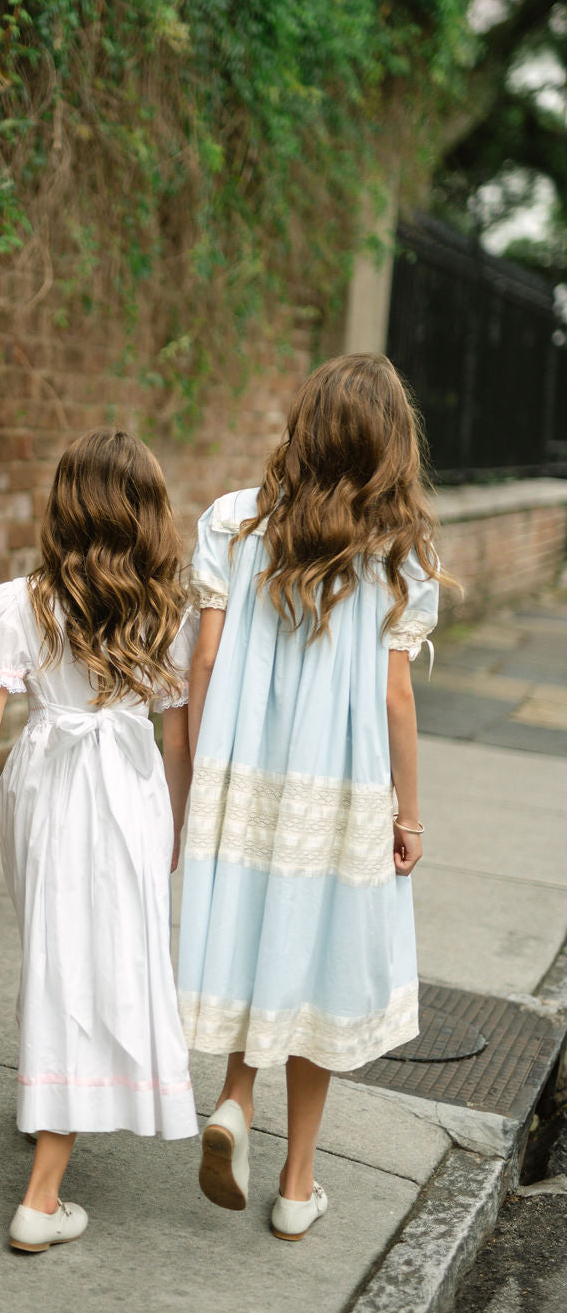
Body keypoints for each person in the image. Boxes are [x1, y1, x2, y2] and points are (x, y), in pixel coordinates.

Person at [178, 354, 454, 1241]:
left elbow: (207, 663)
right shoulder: (400, 551)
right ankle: (297, 1186)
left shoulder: (233, 521)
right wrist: (407, 815)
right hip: (338, 782)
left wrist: (199, 783)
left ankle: (232, 1099)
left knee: (258, 929)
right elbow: (393, 698)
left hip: (242, 769)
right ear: (390, 444)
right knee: (317, 952)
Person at [0, 428, 198, 1253]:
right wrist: (174, 820)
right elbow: (176, 738)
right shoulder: (168, 610)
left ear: (63, 508)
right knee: (98, 959)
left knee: (56, 946)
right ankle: (42, 1197)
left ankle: (49, 1098)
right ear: (148, 514)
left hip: (44, 788)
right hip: (128, 787)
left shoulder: (17, 604)